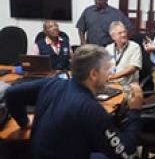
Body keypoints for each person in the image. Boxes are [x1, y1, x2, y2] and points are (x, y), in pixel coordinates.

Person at [6, 44, 143, 159]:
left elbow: (11, 93)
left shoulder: (51, 83)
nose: (110, 73)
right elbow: (124, 152)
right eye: (107, 69)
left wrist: (23, 122)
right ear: (93, 74)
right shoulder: (92, 110)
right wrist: (135, 110)